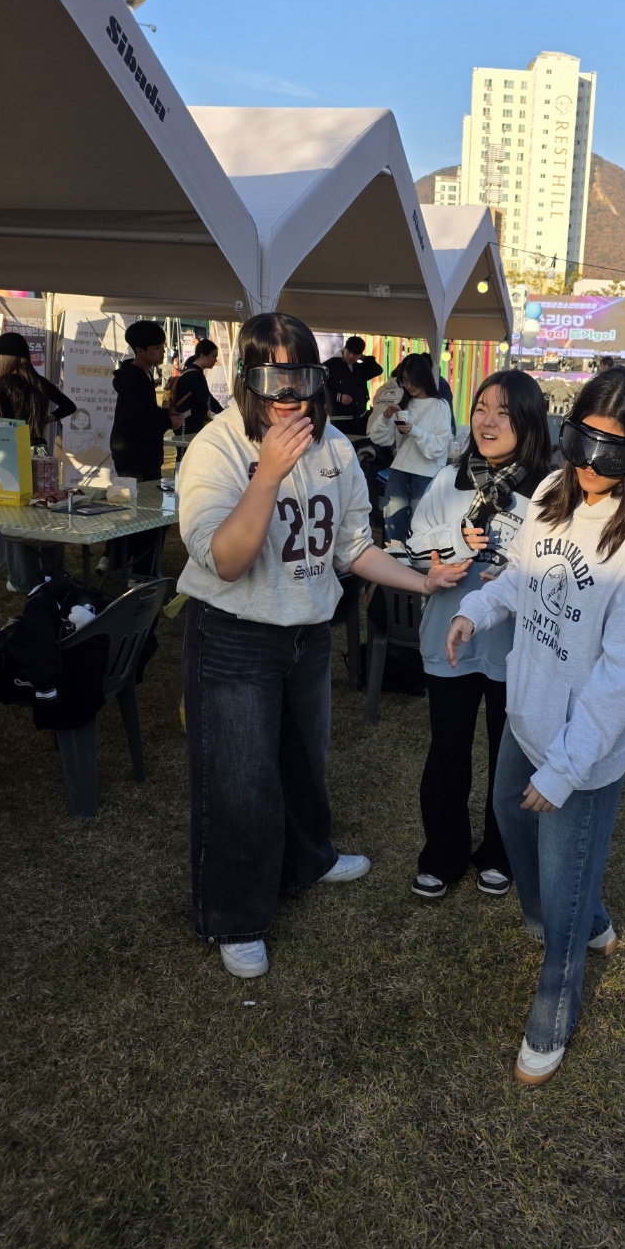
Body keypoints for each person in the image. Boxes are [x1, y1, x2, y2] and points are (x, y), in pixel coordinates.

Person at [177, 312, 467, 980]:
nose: (287, 390)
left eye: (299, 373)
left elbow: (354, 548)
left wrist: (422, 580)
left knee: (306, 762)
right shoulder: (218, 449)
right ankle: (237, 914)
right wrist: (267, 474)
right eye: (271, 373)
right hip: (234, 634)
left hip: (307, 631)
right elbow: (225, 560)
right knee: (239, 781)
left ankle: (309, 859)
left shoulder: (335, 448)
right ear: (245, 378)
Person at [444, 369, 625, 1084]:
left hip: (584, 748)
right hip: (527, 717)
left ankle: (556, 1002)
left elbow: (623, 676)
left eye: (614, 450)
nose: (590, 462)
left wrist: (568, 768)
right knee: (514, 833)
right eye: (582, 439)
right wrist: (474, 611)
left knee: (561, 887)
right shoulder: (550, 493)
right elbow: (521, 577)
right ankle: (585, 918)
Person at [404, 370, 551, 900]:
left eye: (504, 412)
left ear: (529, 422)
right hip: (451, 638)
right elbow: (413, 547)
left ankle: (500, 850)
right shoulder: (450, 482)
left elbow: (558, 569)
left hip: (515, 646)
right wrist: (449, 549)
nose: (488, 421)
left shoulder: (549, 493)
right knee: (448, 749)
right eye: (481, 408)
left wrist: (519, 573)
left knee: (509, 754)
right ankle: (441, 854)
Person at [0, 331, 76, 592]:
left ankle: (22, 579)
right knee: (48, 514)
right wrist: (43, 421)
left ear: (3, 359)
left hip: (14, 455)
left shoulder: (3, 383)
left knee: (17, 520)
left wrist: (5, 427)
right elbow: (68, 406)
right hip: (41, 452)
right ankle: (53, 573)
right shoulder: (40, 382)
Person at [103, 320, 185, 578]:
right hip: (134, 454)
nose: (163, 352)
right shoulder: (133, 379)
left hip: (133, 452)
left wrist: (163, 413)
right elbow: (135, 421)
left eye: (163, 346)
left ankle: (115, 558)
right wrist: (166, 421)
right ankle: (136, 568)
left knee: (132, 509)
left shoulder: (140, 375)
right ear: (140, 350)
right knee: (143, 515)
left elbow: (142, 413)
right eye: (157, 347)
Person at [370, 352, 452, 543]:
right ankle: (393, 566)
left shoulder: (439, 406)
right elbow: (378, 437)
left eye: (413, 381)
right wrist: (386, 417)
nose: (409, 386)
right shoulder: (403, 403)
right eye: (405, 381)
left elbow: (438, 447)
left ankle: (416, 568)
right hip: (398, 471)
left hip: (425, 475)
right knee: (392, 526)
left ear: (424, 377)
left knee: (421, 529)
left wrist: (413, 430)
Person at [323, 335, 385, 436]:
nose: (351, 356)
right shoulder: (329, 366)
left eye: (356, 354)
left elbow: (378, 370)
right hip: (340, 419)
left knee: (360, 446)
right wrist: (339, 397)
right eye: (349, 352)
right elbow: (321, 390)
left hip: (361, 417)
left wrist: (364, 358)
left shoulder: (359, 367)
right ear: (344, 348)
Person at [172, 338, 223, 434]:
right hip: (187, 424)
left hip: (188, 422)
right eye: (214, 356)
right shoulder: (194, 375)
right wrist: (224, 414)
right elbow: (207, 399)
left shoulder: (192, 370)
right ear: (203, 356)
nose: (216, 360)